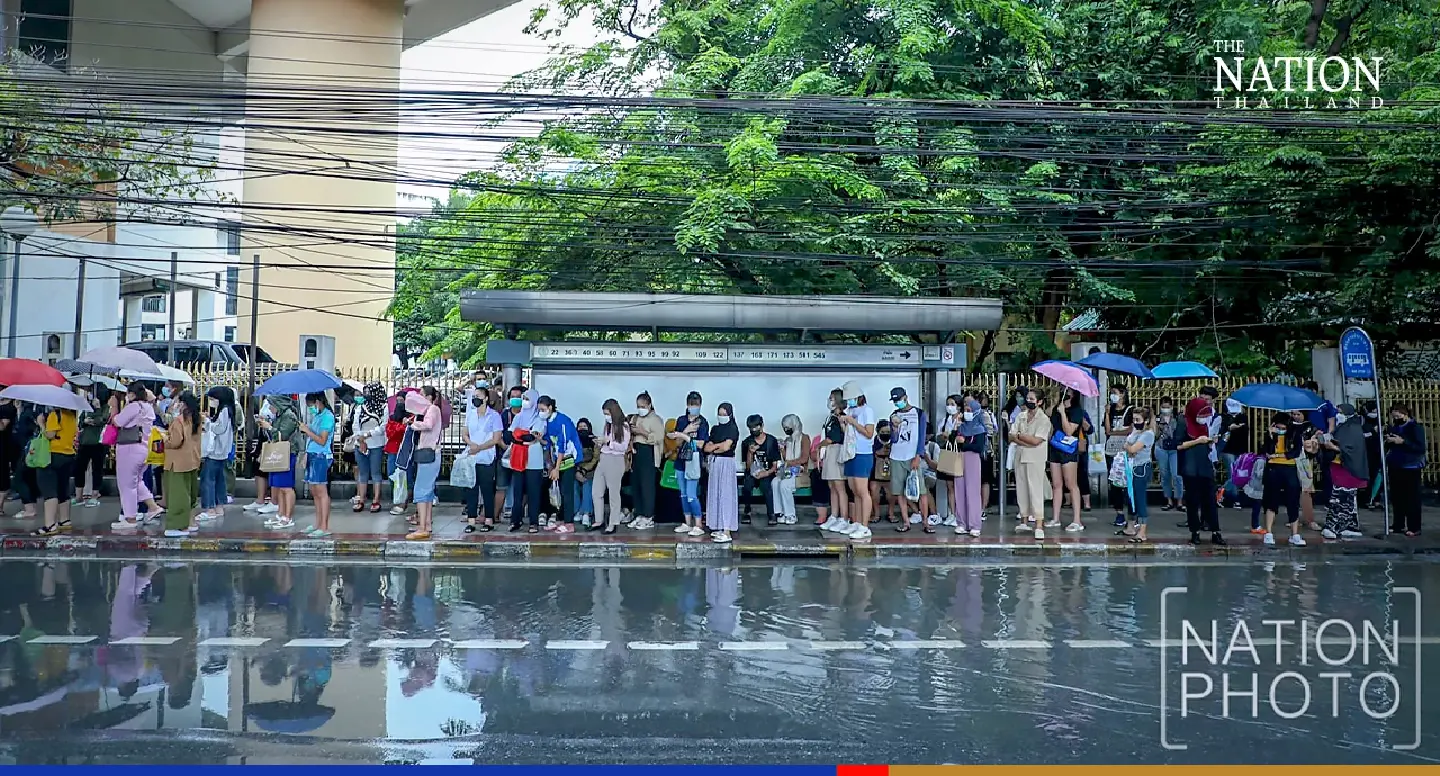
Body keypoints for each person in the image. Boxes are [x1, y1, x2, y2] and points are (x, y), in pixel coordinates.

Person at [112, 383, 161, 529]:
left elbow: (117, 421)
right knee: (137, 481)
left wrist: (114, 407)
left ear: (132, 394)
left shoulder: (133, 407)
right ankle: (153, 507)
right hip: (143, 449)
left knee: (126, 485)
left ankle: (130, 518)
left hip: (129, 449)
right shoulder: (147, 407)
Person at [1177, 396, 1224, 545]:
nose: (1203, 418)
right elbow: (1178, 445)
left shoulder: (1204, 426)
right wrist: (1197, 441)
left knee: (1210, 500)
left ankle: (1215, 531)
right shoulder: (1183, 422)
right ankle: (1195, 532)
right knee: (1192, 501)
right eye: (1201, 414)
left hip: (1205, 466)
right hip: (1190, 467)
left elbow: (1207, 445)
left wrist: (1210, 442)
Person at [1321, 403, 1369, 540]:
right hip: (1340, 466)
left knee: (1341, 498)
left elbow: (1350, 449)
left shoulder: (1353, 429)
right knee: (1347, 499)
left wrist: (1334, 447)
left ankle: (1333, 526)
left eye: (1340, 412)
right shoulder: (1343, 427)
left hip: (1348, 468)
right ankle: (1348, 526)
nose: (1338, 414)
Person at [460, 384, 503, 533]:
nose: (475, 399)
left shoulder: (494, 416)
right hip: (471, 456)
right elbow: (465, 432)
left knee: (487, 490)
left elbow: (496, 438)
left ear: (485, 398)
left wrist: (480, 447)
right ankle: (471, 520)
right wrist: (471, 444)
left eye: (478, 397)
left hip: (486, 457)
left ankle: (489, 519)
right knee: (471, 489)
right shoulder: (471, 414)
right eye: (474, 397)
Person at [1010, 389, 1052, 538]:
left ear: (1039, 402)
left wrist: (1020, 437)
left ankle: (1039, 524)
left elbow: (1036, 441)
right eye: (1027, 398)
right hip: (1020, 456)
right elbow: (1011, 436)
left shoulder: (1044, 420)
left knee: (1035, 490)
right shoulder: (1021, 416)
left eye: (1032, 398)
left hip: (1036, 458)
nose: (1028, 401)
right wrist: (1024, 440)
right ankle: (1024, 521)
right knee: (1021, 489)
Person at [838, 380, 877, 540]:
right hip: (850, 453)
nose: (849, 402)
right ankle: (858, 522)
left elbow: (869, 433)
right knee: (854, 490)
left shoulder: (867, 411)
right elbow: (846, 432)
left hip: (863, 453)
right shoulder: (850, 410)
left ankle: (865, 526)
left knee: (862, 491)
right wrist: (844, 422)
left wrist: (853, 422)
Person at [505, 388, 547, 533]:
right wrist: (522, 435)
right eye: (524, 398)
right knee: (517, 492)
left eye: (527, 399)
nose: (525, 402)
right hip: (518, 459)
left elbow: (532, 437)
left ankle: (533, 522)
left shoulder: (540, 419)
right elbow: (509, 435)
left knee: (533, 492)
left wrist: (520, 435)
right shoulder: (519, 416)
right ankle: (515, 520)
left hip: (534, 460)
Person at [537, 396, 582, 533]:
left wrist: (556, 468)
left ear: (550, 408)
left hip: (569, 459)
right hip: (558, 459)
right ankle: (560, 520)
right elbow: (550, 443)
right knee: (559, 492)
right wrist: (540, 439)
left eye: (543, 409)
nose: (541, 412)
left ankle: (569, 523)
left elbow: (562, 445)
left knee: (567, 492)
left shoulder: (562, 421)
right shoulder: (549, 422)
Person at [667, 391, 709, 537]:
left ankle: (698, 524)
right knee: (683, 494)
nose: (694, 407)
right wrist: (685, 431)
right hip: (680, 461)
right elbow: (677, 442)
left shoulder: (703, 422)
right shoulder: (681, 420)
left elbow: (701, 444)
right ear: (687, 405)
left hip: (694, 461)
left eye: (696, 405)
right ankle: (687, 522)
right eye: (691, 405)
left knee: (692, 494)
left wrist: (684, 436)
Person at [33, 404, 79, 536]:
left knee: (49, 489)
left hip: (53, 455)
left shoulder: (54, 415)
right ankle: (64, 520)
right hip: (68, 455)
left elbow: (51, 435)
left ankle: (50, 525)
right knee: (63, 488)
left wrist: (41, 424)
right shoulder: (71, 416)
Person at [1260, 411, 1305, 546]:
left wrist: (1280, 456)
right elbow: (1266, 451)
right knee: (1271, 500)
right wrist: (1270, 435)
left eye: (1283, 428)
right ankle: (1268, 533)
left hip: (1289, 468)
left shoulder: (1295, 434)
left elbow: (1296, 452)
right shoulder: (1270, 435)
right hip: (1273, 469)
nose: (1281, 430)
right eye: (1278, 428)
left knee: (1293, 500)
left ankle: (1295, 534)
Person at [161, 392, 202, 538]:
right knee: (189, 493)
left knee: (178, 495)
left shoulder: (179, 421)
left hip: (177, 462)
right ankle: (190, 522)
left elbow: (176, 442)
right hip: (192, 460)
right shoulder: (196, 419)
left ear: (183, 404)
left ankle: (177, 525)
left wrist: (165, 439)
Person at [259, 395, 302, 531]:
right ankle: (281, 514)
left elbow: (281, 435)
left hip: (287, 453)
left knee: (286, 487)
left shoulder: (289, 416)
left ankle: (287, 516)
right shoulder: (280, 416)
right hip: (279, 454)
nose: (270, 408)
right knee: (278, 486)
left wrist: (269, 427)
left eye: (271, 404)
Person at [403, 390, 441, 540]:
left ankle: (422, 528)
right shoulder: (431, 410)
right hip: (431, 453)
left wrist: (413, 424)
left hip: (428, 453)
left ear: (429, 397)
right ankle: (426, 523)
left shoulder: (432, 409)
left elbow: (428, 425)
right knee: (428, 491)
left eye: (422, 395)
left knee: (421, 490)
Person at [296, 393, 336, 537]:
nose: (311, 409)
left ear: (318, 402)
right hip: (312, 455)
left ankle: (324, 526)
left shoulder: (327, 417)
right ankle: (318, 523)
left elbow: (322, 440)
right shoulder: (318, 416)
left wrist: (307, 431)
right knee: (314, 491)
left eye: (311, 406)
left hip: (321, 456)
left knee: (321, 492)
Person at [589, 399, 630, 534]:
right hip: (604, 458)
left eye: (607, 413)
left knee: (613, 493)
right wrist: (600, 442)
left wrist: (608, 442)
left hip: (615, 460)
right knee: (596, 491)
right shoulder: (607, 425)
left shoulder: (624, 426)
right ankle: (599, 519)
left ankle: (613, 523)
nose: (606, 417)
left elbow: (623, 447)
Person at [887, 386, 926, 527]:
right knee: (899, 492)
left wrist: (918, 456)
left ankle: (925, 521)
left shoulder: (919, 413)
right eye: (895, 401)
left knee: (921, 490)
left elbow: (921, 437)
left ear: (906, 397)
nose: (897, 403)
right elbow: (894, 439)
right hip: (896, 456)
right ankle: (906, 522)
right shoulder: (894, 414)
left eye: (899, 400)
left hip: (912, 456)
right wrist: (895, 428)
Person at [1386, 404, 1426, 537]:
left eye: (1398, 415)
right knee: (1397, 497)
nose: (1396, 418)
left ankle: (1414, 527)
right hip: (1395, 465)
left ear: (1405, 414)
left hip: (1411, 466)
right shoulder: (1395, 427)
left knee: (1412, 498)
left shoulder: (1415, 428)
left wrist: (1403, 442)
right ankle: (1398, 524)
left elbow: (1420, 447)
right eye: (1394, 416)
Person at [196, 387, 235, 523]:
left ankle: (210, 509)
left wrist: (206, 421)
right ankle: (219, 507)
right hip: (221, 452)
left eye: (213, 399)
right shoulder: (228, 411)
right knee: (219, 481)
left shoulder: (224, 411)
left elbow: (219, 429)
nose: (211, 402)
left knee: (207, 480)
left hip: (215, 451)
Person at [1048, 388, 1085, 532]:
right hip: (1055, 448)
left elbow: (1069, 430)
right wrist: (1055, 404)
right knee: (1057, 484)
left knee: (1071, 483)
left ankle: (1077, 520)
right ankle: (1056, 518)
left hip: (1068, 449)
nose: (1064, 391)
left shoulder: (1076, 411)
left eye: (1067, 390)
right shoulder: (1057, 408)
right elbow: (1048, 417)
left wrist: (1063, 413)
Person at [703, 401, 740, 543]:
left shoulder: (733, 429)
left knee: (726, 495)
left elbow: (726, 447)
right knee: (715, 493)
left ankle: (727, 530)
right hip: (715, 462)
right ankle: (718, 526)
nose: (721, 416)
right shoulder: (715, 429)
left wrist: (715, 447)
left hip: (726, 462)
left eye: (724, 414)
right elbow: (707, 447)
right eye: (719, 414)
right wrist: (716, 447)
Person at [350, 383, 388, 514]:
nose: (366, 395)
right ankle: (361, 499)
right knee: (362, 473)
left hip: (375, 443)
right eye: (365, 392)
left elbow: (383, 427)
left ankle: (376, 500)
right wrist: (360, 438)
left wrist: (367, 435)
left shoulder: (384, 407)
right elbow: (355, 424)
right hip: (360, 443)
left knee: (375, 473)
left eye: (368, 392)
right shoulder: (360, 407)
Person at [952, 398, 987, 537]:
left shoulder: (979, 429)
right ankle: (961, 522)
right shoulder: (961, 426)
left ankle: (974, 524)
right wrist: (956, 425)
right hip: (959, 458)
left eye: (969, 411)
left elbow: (978, 447)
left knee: (972, 490)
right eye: (965, 410)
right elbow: (950, 439)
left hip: (972, 458)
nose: (966, 413)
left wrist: (964, 441)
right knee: (959, 489)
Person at [1120, 407, 1156, 543]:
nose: (1135, 422)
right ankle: (1130, 527)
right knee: (1130, 497)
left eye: (1138, 419)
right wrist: (1129, 448)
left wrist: (1128, 447)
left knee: (1140, 499)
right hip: (1132, 466)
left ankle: (1142, 531)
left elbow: (1132, 448)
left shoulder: (1148, 434)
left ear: (1146, 420)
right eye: (1134, 419)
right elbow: (1129, 446)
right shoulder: (1136, 431)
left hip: (1141, 468)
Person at [630, 392, 665, 530]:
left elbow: (658, 437)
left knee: (647, 486)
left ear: (649, 405)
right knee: (636, 484)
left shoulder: (656, 419)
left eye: (643, 406)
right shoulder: (635, 417)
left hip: (648, 452)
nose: (640, 409)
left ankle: (648, 516)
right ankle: (639, 514)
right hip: (636, 452)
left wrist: (642, 432)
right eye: (638, 406)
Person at [818, 388, 850, 532]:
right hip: (829, 453)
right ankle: (834, 515)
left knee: (839, 486)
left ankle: (844, 517)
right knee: (832, 486)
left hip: (837, 450)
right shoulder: (830, 417)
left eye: (831, 398)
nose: (829, 401)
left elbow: (836, 437)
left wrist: (821, 444)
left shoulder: (842, 416)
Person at [741, 414, 781, 526]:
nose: (754, 430)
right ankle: (747, 511)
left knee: (766, 486)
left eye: (756, 427)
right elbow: (748, 466)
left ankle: (771, 514)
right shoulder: (747, 442)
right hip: (753, 472)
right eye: (751, 428)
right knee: (747, 486)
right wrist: (750, 452)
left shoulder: (771, 441)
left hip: (768, 471)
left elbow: (775, 464)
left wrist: (766, 473)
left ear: (762, 426)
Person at [242, 392, 277, 515]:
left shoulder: (283, 404)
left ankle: (274, 501)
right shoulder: (267, 401)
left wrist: (269, 424)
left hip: (273, 441)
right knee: (258, 470)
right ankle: (260, 499)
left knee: (273, 471)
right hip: (264, 437)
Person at [1104, 384, 1132, 527]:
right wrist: (1107, 414)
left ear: (1122, 394)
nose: (1112, 395)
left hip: (1125, 450)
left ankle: (1132, 515)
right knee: (1114, 483)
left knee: (1128, 483)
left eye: (1114, 393)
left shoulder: (1130, 410)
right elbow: (1108, 430)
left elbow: (1131, 430)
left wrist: (1115, 433)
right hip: (1111, 450)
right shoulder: (1111, 410)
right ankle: (1119, 514)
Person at [76, 387, 109, 507]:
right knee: (80, 468)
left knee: (97, 469)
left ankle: (95, 495)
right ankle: (78, 496)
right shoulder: (87, 406)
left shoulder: (106, 407)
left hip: (98, 442)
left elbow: (104, 420)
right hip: (84, 442)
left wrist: (98, 409)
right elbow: (80, 422)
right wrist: (84, 421)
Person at [1218, 397, 1250, 508]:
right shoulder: (1224, 417)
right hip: (1227, 449)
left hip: (1240, 449)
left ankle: (1223, 492)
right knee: (1233, 474)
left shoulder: (1243, 417)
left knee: (1237, 474)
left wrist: (1236, 428)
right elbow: (1222, 430)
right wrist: (1230, 427)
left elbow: (1245, 430)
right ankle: (1235, 499)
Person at [775, 414, 807, 525]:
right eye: (784, 427)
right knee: (775, 482)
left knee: (784, 485)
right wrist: (782, 449)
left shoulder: (804, 438)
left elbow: (804, 458)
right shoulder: (787, 440)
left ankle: (790, 515)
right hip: (788, 471)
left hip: (801, 474)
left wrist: (790, 463)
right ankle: (780, 512)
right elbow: (785, 459)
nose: (786, 430)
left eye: (787, 427)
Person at [1155, 396, 1184, 511]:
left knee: (1177, 475)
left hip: (1174, 449)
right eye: (1163, 407)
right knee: (1165, 475)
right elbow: (1155, 435)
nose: (1165, 409)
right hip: (1161, 448)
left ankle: (1180, 501)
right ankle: (1169, 500)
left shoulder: (1177, 418)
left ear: (1172, 407)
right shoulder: (1157, 419)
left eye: (1168, 407)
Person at [574, 418, 600, 527]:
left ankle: (586, 513)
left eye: (584, 427)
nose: (582, 429)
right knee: (573, 485)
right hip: (576, 470)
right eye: (580, 427)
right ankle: (577, 511)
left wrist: (584, 470)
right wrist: (577, 471)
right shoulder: (573, 440)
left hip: (590, 470)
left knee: (587, 484)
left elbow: (595, 459)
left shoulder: (595, 441)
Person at [871, 419, 895, 526]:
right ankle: (876, 514)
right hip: (875, 468)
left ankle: (891, 513)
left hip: (890, 467)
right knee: (874, 491)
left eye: (888, 432)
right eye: (883, 432)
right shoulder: (874, 441)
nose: (886, 434)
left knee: (890, 492)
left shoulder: (894, 440)